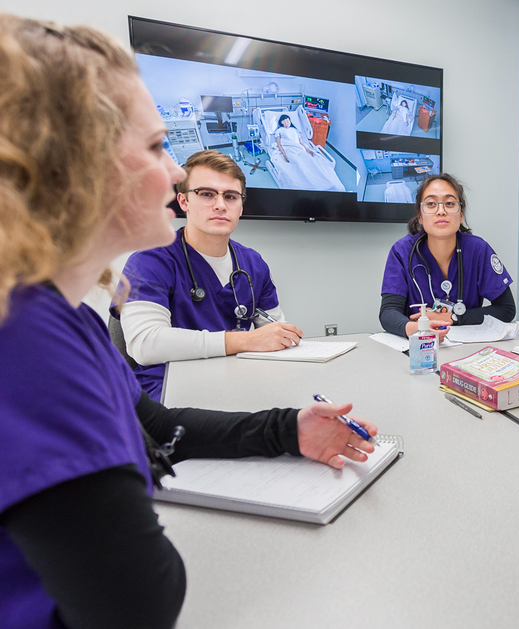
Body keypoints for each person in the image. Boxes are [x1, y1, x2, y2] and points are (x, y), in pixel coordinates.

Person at [0, 16, 377, 629]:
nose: (176, 176)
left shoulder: (70, 317)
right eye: (155, 148)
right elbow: (139, 601)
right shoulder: (26, 339)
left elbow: (159, 424)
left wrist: (290, 429)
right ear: (75, 162)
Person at [113, 149, 302, 401]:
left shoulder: (253, 264)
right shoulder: (150, 261)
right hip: (169, 389)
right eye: (206, 194)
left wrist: (282, 338)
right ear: (183, 202)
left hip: (241, 380)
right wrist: (242, 341)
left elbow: (271, 333)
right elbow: (145, 344)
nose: (221, 205)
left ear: (241, 206)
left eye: (231, 196)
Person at [379, 173, 516, 338]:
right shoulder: (402, 251)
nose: (441, 211)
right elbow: (388, 312)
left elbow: (506, 309)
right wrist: (416, 329)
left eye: (450, 203)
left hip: (467, 347)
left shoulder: (478, 249)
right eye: (431, 204)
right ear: (420, 216)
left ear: (461, 214)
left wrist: (452, 317)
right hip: (417, 347)